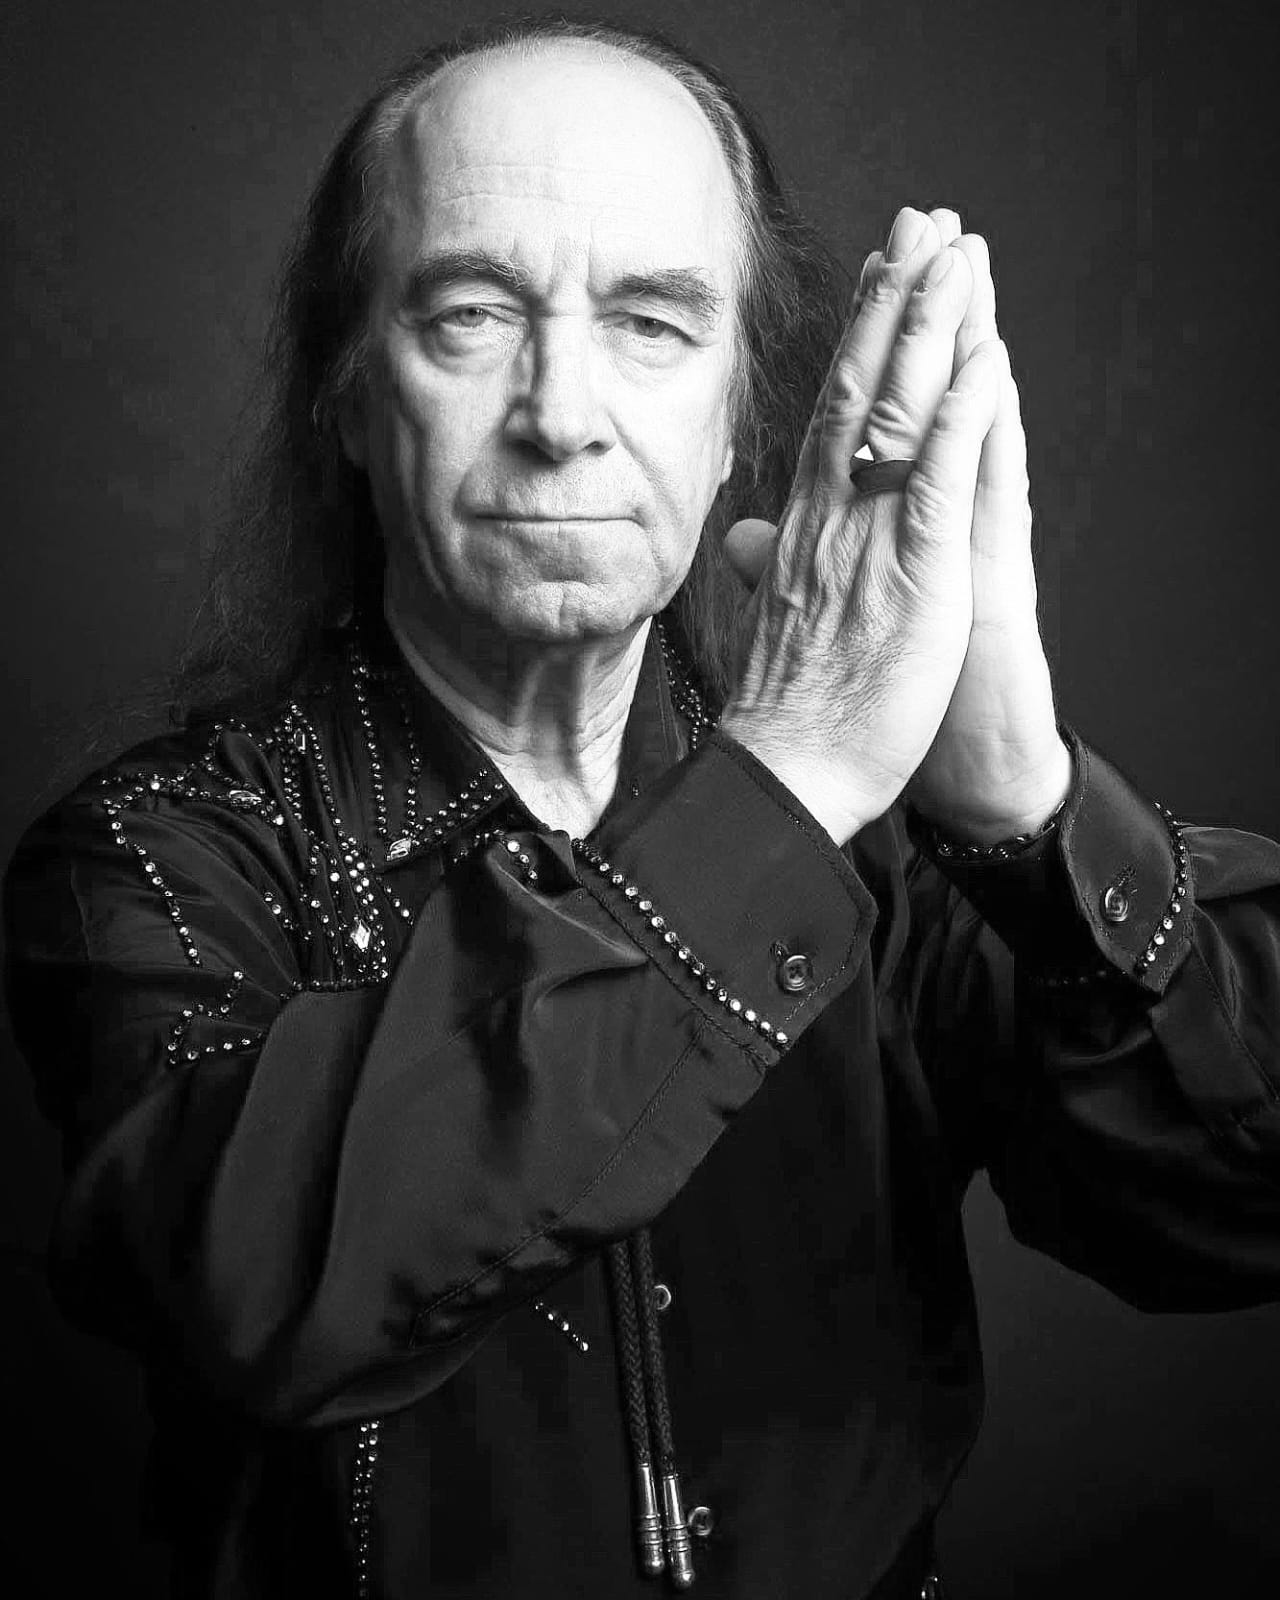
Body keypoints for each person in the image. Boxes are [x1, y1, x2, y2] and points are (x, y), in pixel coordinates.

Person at [5, 15, 1280, 1600]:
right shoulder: (156, 853)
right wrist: (786, 780)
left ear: (741, 412)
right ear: (348, 396)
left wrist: (1024, 802)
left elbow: (1231, 1208)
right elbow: (263, 1290)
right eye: (471, 315)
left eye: (654, 323)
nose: (562, 414)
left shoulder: (896, 846)